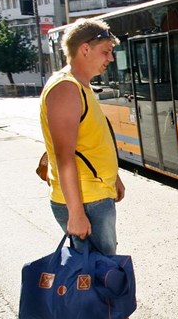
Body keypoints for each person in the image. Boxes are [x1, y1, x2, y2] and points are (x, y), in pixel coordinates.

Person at [39, 18, 125, 256]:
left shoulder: (79, 86)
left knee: (99, 272)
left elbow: (89, 144)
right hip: (87, 200)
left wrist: (113, 177)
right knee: (96, 276)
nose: (110, 58)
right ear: (85, 49)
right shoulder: (66, 89)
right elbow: (64, 156)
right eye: (106, 52)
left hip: (95, 194)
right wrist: (76, 214)